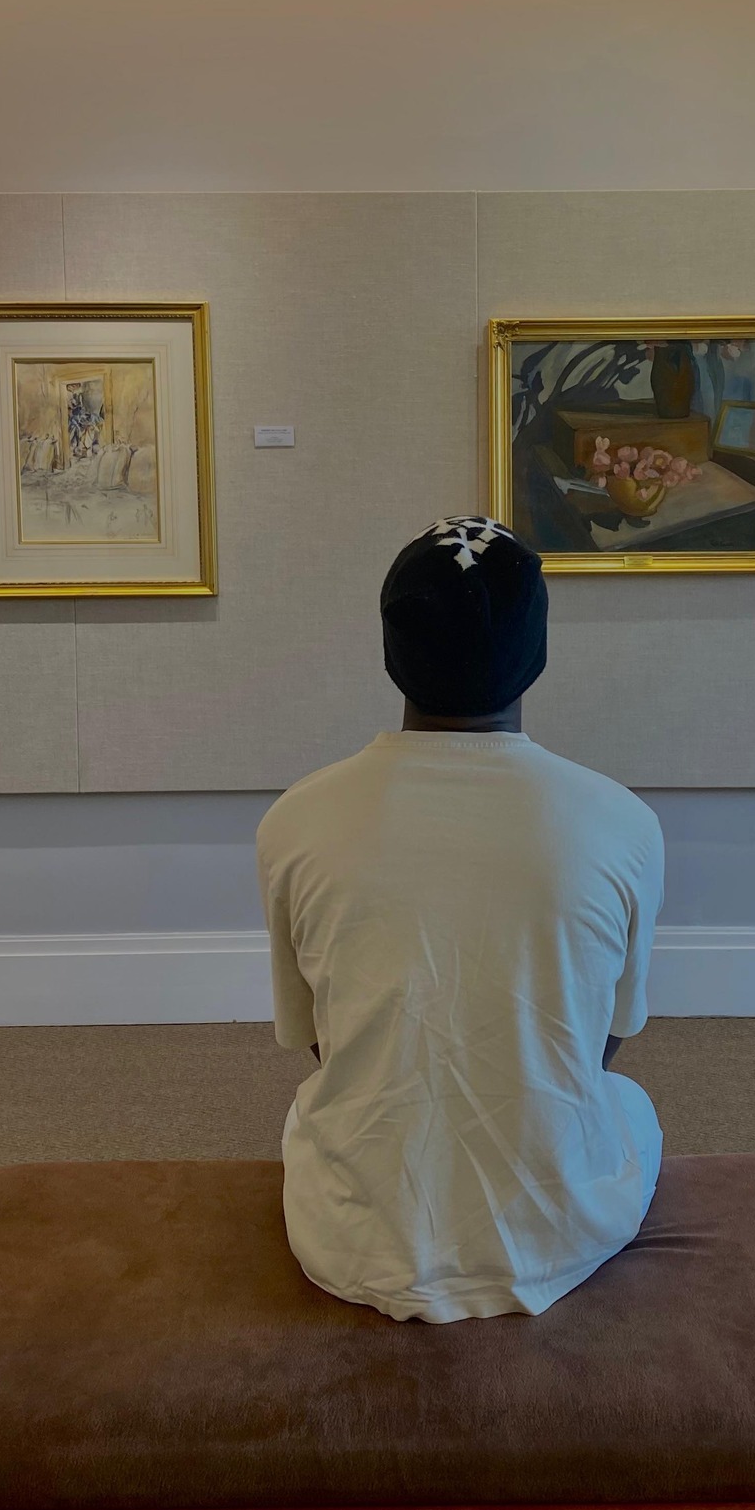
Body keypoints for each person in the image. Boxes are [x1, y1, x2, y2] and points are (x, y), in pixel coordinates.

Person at [256, 516, 664, 1323]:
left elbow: (324, 1041)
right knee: (628, 1103)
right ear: (537, 653)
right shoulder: (622, 822)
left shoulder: (295, 821)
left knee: (317, 1104)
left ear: (391, 649)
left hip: (351, 1242)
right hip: (561, 1233)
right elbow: (599, 1042)